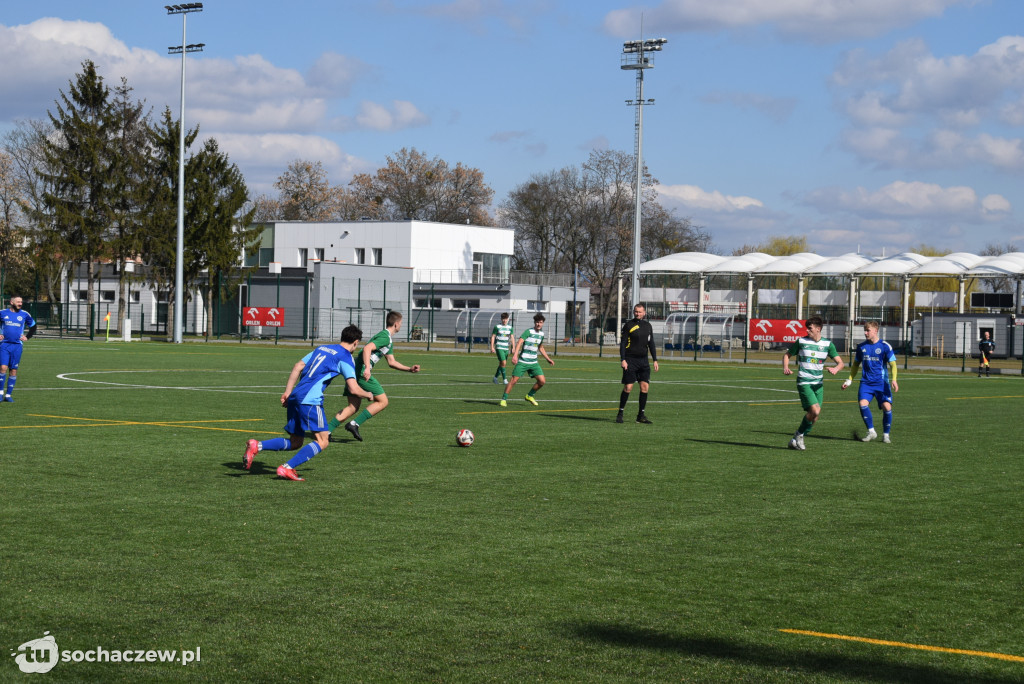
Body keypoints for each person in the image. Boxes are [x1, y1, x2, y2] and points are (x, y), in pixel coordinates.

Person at [243, 325, 374, 481]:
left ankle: (256, 446)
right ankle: (287, 468)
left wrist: (287, 392)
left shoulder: (322, 348)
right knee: (323, 441)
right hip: (310, 400)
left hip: (296, 395)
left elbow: (298, 366)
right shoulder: (345, 357)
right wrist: (368, 394)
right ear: (356, 342)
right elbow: (353, 388)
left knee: (296, 441)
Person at [328, 311, 420, 442]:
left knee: (352, 407)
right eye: (401, 323)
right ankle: (354, 424)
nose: (401, 326)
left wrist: (409, 369)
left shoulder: (387, 339)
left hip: (354, 370)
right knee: (383, 401)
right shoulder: (385, 337)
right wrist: (367, 368)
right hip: (360, 372)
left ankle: (327, 431)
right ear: (396, 324)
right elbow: (367, 349)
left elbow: (392, 362)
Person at [782, 316, 844, 450]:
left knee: (814, 417)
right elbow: (787, 355)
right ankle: (799, 436)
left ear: (818, 329)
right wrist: (786, 367)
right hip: (804, 382)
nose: (807, 330)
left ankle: (795, 439)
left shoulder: (827, 344)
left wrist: (835, 369)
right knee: (814, 411)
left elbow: (840, 363)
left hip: (818, 384)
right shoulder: (801, 341)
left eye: (810, 328)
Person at [841, 321, 899, 443]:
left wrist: (894, 380)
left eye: (868, 330)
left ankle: (886, 435)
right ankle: (871, 431)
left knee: (886, 407)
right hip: (866, 383)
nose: (865, 332)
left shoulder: (885, 346)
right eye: (865, 330)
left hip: (881, 383)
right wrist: (849, 380)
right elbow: (856, 365)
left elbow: (893, 364)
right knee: (863, 404)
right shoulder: (861, 347)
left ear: (876, 330)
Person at [616, 303, 659, 424]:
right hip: (630, 360)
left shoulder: (648, 326)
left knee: (645, 387)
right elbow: (623, 344)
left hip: (644, 361)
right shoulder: (628, 325)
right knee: (628, 387)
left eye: (640, 312)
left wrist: (655, 359)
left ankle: (641, 416)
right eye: (636, 311)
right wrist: (623, 359)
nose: (638, 314)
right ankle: (620, 413)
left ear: (644, 313)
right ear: (633, 312)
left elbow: (651, 344)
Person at [500, 313, 554, 407]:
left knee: (542, 381)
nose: (538, 324)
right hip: (523, 361)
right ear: (534, 322)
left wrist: (548, 359)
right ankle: (503, 399)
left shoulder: (541, 334)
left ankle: (529, 396)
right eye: (537, 322)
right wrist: (515, 355)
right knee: (513, 381)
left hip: (534, 362)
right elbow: (519, 342)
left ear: (543, 323)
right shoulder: (528, 331)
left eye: (540, 322)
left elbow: (540, 347)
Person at [0, 297, 37, 403]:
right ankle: (0, 393)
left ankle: (8, 395)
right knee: (3, 368)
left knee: (13, 370)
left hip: (17, 346)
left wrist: (28, 336)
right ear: (11, 302)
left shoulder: (25, 314)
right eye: (18, 302)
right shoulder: (2, 313)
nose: (20, 303)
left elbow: (33, 326)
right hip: (4, 345)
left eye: (21, 302)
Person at [489, 312, 513, 385]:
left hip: (506, 348)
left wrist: (514, 347)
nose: (504, 320)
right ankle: (505, 379)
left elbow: (512, 337)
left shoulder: (510, 328)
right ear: (501, 319)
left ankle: (495, 378)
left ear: (508, 319)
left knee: (502, 364)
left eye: (505, 319)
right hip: (499, 347)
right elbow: (493, 336)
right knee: (504, 363)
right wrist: (492, 347)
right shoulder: (497, 327)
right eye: (503, 319)